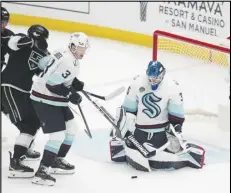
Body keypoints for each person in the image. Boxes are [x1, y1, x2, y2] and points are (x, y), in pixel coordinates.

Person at [110, 61, 205, 172]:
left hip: (161, 133)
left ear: (162, 74)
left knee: (172, 149)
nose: (153, 81)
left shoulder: (172, 86)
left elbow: (176, 113)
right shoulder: (137, 83)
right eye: (151, 78)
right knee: (130, 141)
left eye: (156, 78)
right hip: (140, 130)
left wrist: (176, 129)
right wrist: (124, 124)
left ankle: (178, 150)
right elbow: (128, 109)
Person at [30, 32, 89, 186]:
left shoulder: (63, 52)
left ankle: (55, 160)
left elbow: (46, 67)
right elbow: (52, 84)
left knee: (71, 129)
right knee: (57, 135)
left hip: (51, 97)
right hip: (45, 98)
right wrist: (70, 93)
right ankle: (42, 171)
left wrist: (74, 82)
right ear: (73, 46)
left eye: (84, 48)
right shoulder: (69, 62)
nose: (83, 51)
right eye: (80, 47)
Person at [1, 24, 50, 178]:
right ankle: (15, 163)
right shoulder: (22, 39)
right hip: (9, 88)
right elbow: (11, 42)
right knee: (29, 124)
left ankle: (23, 148)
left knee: (34, 120)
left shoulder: (42, 54)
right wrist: (26, 40)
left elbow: (47, 74)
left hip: (20, 92)